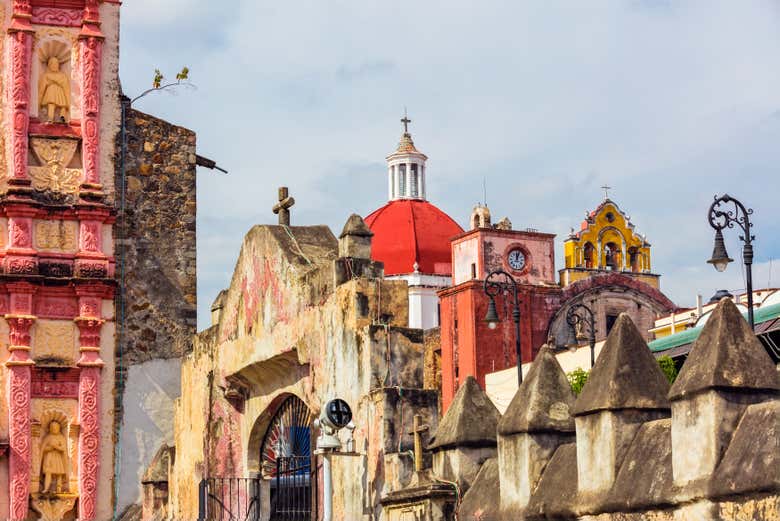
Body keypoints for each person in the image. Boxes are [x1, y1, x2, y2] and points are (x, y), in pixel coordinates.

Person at [38, 57, 70, 122]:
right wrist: (39, 101)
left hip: (59, 92)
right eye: (52, 63)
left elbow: (65, 86)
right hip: (50, 92)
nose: (55, 65)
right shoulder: (46, 75)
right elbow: (42, 88)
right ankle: (50, 118)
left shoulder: (62, 75)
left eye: (56, 63)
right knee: (51, 104)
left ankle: (62, 117)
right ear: (49, 65)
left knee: (63, 105)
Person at [41, 420, 68, 494]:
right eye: (52, 427)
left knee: (59, 473)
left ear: (59, 428)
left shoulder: (61, 437)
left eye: (56, 427)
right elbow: (43, 449)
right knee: (48, 473)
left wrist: (56, 447)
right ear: (50, 428)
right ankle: (46, 488)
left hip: (58, 458)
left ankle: (59, 488)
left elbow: (63, 449)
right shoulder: (48, 437)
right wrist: (50, 448)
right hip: (49, 458)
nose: (54, 429)